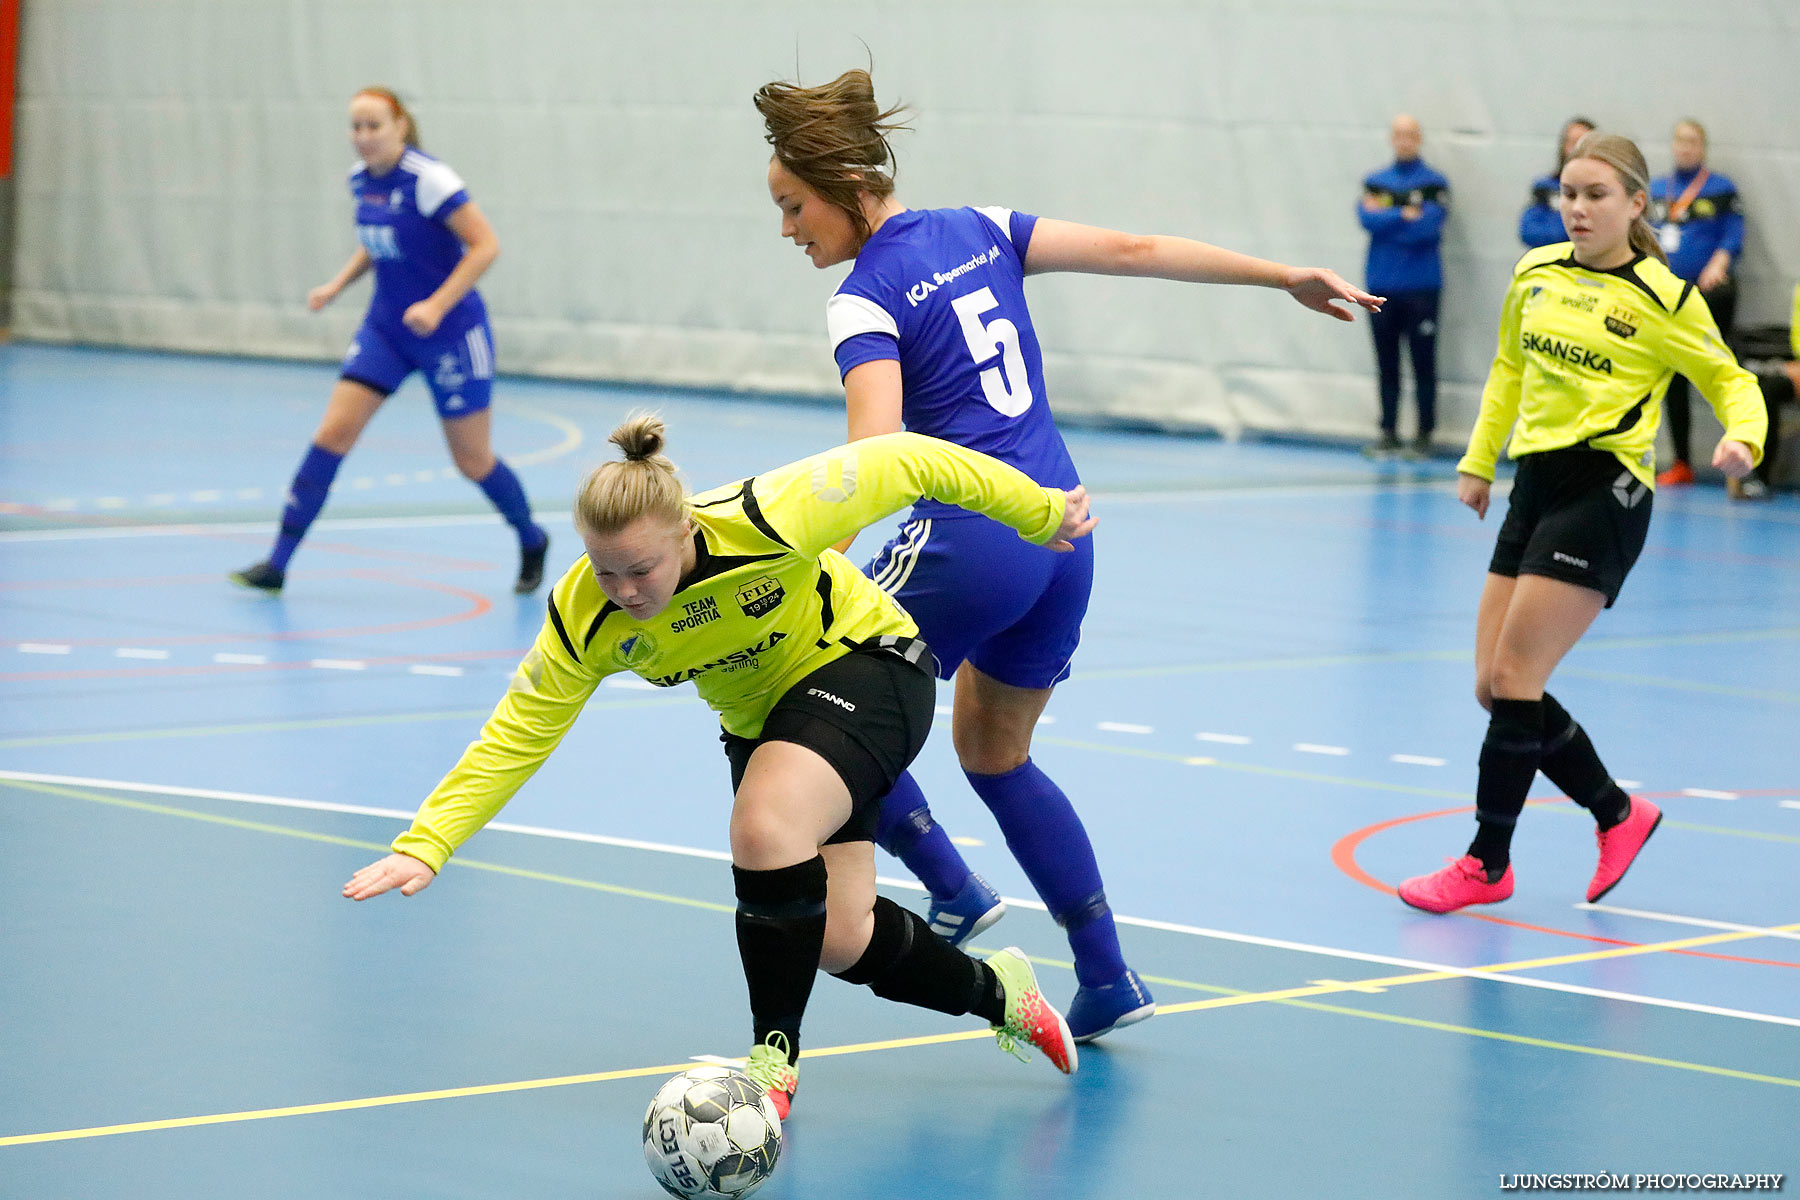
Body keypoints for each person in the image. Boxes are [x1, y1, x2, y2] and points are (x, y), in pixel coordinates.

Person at [754, 69, 1381, 1042]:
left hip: (976, 539)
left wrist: (798, 557)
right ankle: (1105, 973)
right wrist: (1280, 275)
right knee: (993, 754)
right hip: (1066, 533)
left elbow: (870, 460)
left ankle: (953, 887)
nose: (789, 228)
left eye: (792, 205)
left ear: (838, 181)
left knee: (808, 681)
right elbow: (1135, 250)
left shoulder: (864, 299)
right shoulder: (983, 225)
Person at [344, 414, 1095, 1120]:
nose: (627, 593)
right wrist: (429, 839)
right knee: (839, 936)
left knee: (763, 827)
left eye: (641, 569)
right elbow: (520, 730)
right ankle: (1004, 995)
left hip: (868, 663)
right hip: (768, 725)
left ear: (688, 530)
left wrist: (1036, 512)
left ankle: (773, 1063)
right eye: (607, 573)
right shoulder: (584, 616)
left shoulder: (769, 516)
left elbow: (907, 459)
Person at [1397, 133, 1766, 914]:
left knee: (1514, 679)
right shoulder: (1534, 273)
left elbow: (1730, 379)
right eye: (1567, 193)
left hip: (1605, 493)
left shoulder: (1666, 298)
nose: (1576, 208)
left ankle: (1485, 864)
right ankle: (1617, 813)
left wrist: (1744, 437)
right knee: (1494, 690)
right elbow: (1508, 369)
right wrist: (1478, 460)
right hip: (1536, 483)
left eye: (1595, 194)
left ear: (1637, 204)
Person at [231, 87, 549, 594]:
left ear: (400, 126)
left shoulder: (431, 181)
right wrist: (336, 285)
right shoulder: (361, 182)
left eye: (374, 126)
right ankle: (278, 563)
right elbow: (377, 243)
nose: (363, 137)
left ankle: (531, 538)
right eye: (355, 127)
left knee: (472, 461)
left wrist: (437, 305)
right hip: (386, 331)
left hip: (450, 335)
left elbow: (485, 246)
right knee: (331, 437)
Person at [1648, 119, 1745, 488]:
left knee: (1721, 369)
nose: (1685, 148)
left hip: (1708, 294)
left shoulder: (1721, 189)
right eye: (1680, 141)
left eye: (1692, 142)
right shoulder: (1658, 188)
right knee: (1671, 377)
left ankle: (1740, 454)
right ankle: (1682, 462)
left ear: (1702, 147)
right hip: (1667, 297)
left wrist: (1719, 262)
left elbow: (1734, 233)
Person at [1358, 113, 1450, 459]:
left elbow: (1428, 227)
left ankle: (1425, 433)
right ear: (1391, 138)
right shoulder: (1376, 181)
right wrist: (1403, 213)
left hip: (1421, 287)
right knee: (1387, 363)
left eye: (1411, 134)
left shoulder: (1434, 183)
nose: (1404, 141)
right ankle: (1388, 431)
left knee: (1423, 361)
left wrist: (1390, 219)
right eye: (1399, 134)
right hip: (1381, 285)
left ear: (1420, 138)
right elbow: (1367, 219)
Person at [1519, 117, 1597, 249]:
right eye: (1573, 143)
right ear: (1564, 147)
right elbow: (1529, 231)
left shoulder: (1610, 188)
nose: (1578, 150)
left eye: (1583, 144)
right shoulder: (1546, 188)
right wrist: (1575, 230)